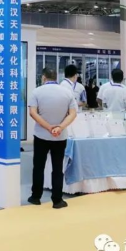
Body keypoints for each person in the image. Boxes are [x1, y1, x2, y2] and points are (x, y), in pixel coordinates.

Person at [28, 67, 77, 209]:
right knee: (57, 167)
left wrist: (48, 127)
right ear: (56, 77)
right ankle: (57, 200)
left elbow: (32, 113)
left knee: (38, 166)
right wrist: (60, 127)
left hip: (41, 135)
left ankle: (35, 197)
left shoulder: (37, 92)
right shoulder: (67, 92)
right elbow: (73, 114)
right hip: (60, 137)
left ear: (43, 77)